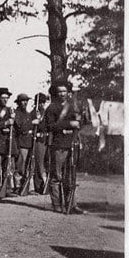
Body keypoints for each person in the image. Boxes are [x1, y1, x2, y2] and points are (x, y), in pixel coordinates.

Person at [44, 79, 84, 214]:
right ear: (56, 93)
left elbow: (80, 123)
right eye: (59, 91)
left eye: (64, 91)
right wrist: (69, 125)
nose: (62, 94)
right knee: (56, 176)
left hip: (72, 143)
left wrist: (79, 122)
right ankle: (56, 204)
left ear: (68, 92)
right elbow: (50, 126)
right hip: (58, 144)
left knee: (71, 176)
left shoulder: (74, 106)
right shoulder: (51, 108)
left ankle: (71, 204)